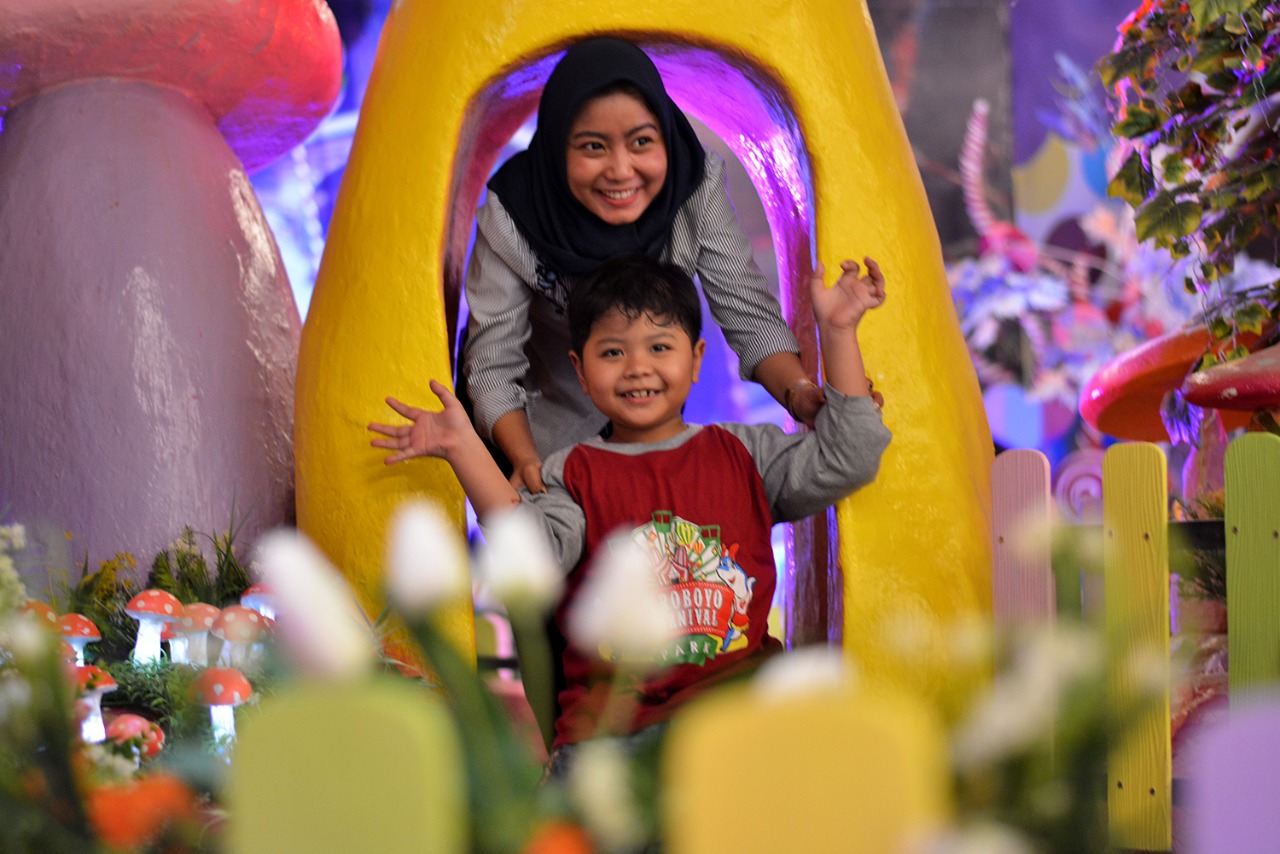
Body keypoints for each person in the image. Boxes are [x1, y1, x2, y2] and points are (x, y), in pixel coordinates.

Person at [371, 252, 891, 764]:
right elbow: (532, 555)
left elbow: (849, 457)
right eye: (613, 352)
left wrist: (839, 332)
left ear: (696, 360)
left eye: (659, 346)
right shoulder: (571, 471)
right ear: (580, 368)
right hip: (613, 739)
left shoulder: (743, 454)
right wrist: (465, 450)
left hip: (738, 720)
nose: (637, 367)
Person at [461, 36, 837, 495]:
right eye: (593, 147)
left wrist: (801, 395)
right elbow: (491, 367)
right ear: (559, 147)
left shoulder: (693, 184)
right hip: (549, 446)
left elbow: (748, 315)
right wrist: (527, 466)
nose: (621, 170)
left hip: (658, 434)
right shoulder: (516, 212)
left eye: (641, 142)